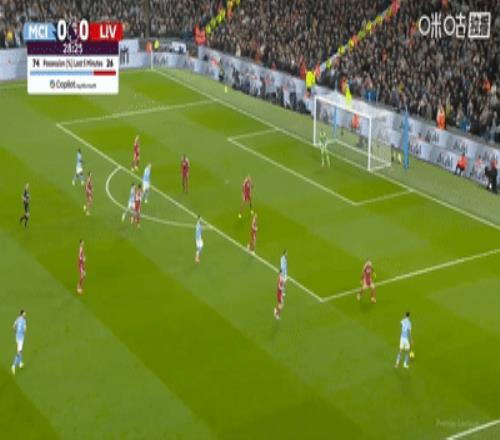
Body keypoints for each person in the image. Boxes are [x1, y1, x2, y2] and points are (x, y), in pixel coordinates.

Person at [11, 310, 27, 375]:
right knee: (19, 352)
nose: (25, 314)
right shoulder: (24, 321)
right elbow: (25, 330)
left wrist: (16, 332)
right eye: (24, 313)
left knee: (20, 351)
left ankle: (20, 363)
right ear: (22, 314)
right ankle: (13, 365)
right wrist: (23, 332)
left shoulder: (17, 319)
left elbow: (13, 326)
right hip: (21, 338)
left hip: (17, 337)